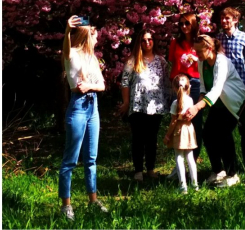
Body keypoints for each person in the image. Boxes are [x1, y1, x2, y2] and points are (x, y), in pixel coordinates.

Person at [59, 15, 108, 221]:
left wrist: (90, 86)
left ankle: (93, 200)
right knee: (70, 160)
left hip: (93, 106)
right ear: (86, 34)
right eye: (94, 33)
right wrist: (67, 31)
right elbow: (66, 50)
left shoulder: (92, 58)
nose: (97, 36)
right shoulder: (72, 55)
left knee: (91, 158)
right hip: (78, 106)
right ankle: (66, 205)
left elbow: (102, 85)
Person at [183, 34, 245, 188]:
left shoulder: (221, 61)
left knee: (224, 134)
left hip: (235, 102)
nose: (196, 55)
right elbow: (204, 89)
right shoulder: (202, 62)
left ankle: (233, 174)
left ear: (210, 48)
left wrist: (197, 107)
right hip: (217, 103)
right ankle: (218, 171)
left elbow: (217, 88)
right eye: (196, 51)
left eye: (199, 52)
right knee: (208, 134)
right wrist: (195, 106)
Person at [117, 28, 170, 181]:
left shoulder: (161, 61)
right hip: (137, 104)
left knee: (152, 138)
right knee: (138, 138)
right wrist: (126, 102)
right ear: (139, 43)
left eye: (150, 39)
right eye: (144, 40)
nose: (147, 42)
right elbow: (125, 82)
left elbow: (166, 83)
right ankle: (138, 170)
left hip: (156, 105)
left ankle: (151, 169)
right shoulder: (132, 61)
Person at [216, 7, 245, 171]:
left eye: (228, 18)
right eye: (223, 18)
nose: (224, 21)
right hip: (224, 91)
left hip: (242, 90)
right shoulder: (218, 39)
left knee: (244, 128)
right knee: (224, 128)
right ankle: (230, 163)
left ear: (235, 20)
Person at [168, 13, 204, 164]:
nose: (184, 27)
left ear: (194, 24)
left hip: (195, 83)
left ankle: (193, 160)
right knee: (177, 119)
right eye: (181, 24)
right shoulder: (175, 42)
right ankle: (179, 162)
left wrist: (196, 58)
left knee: (194, 120)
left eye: (187, 23)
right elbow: (172, 62)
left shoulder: (200, 41)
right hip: (178, 83)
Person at [163, 74, 199, 193]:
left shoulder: (175, 103)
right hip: (189, 128)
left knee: (179, 157)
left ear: (174, 88)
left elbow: (173, 122)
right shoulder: (190, 100)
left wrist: (168, 135)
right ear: (188, 87)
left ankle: (183, 185)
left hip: (179, 130)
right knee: (190, 157)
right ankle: (195, 184)